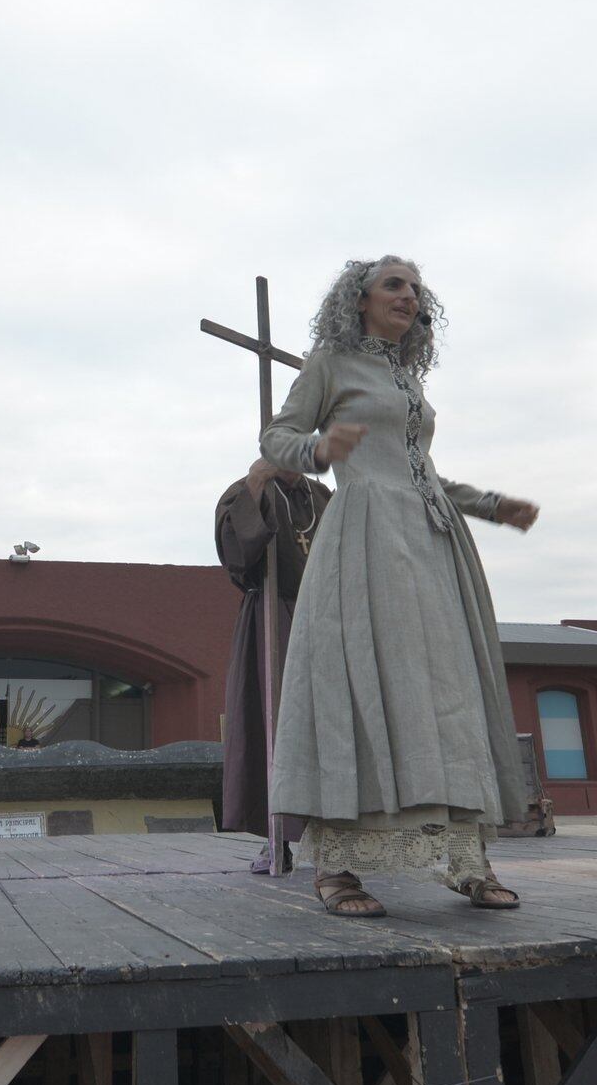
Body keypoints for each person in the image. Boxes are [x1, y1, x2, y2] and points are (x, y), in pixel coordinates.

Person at [262, 256, 538, 918]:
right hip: (366, 537)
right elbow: (278, 437)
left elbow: (421, 472)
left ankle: (466, 861)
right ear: (358, 300)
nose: (409, 296)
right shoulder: (329, 362)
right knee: (370, 685)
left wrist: (489, 503)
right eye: (394, 284)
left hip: (432, 542)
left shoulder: (406, 376)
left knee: (448, 694)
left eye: (416, 288)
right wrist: (320, 450)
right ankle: (338, 869)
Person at [214, 458, 332, 873]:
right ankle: (275, 837)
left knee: (332, 726)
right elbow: (238, 556)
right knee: (276, 725)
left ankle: (340, 841)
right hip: (272, 617)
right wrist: (256, 483)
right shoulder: (246, 490)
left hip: (326, 618)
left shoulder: (322, 497)